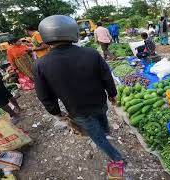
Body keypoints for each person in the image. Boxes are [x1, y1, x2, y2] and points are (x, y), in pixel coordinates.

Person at [33, 15, 123, 162]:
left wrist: (55, 111)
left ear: (45, 37)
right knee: (102, 118)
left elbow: (44, 94)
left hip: (78, 110)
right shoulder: (91, 53)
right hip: (100, 101)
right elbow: (106, 77)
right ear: (73, 32)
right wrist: (112, 94)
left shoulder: (40, 64)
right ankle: (106, 132)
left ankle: (117, 158)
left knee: (97, 136)